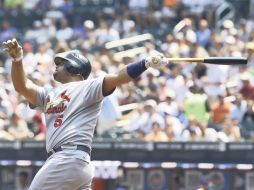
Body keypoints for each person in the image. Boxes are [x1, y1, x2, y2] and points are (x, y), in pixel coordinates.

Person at [3, 38, 167, 190]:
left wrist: (145, 63)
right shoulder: (49, 94)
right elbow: (22, 86)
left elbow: (118, 77)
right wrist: (17, 61)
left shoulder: (88, 87)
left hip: (66, 158)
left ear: (74, 66)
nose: (57, 64)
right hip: (75, 163)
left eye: (61, 62)